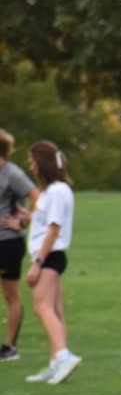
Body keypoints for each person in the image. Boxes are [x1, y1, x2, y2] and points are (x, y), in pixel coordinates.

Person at [20, 141, 80, 384]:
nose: (31, 167)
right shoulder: (55, 191)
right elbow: (45, 222)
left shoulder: (56, 191)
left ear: (42, 163)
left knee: (41, 307)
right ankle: (56, 362)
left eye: (33, 162)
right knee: (54, 309)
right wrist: (27, 219)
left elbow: (53, 229)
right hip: (53, 256)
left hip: (49, 256)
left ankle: (64, 356)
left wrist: (37, 263)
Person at [0, 129, 39, 362]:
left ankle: (9, 347)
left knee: (10, 294)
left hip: (7, 243)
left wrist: (24, 220)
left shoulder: (12, 173)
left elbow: (36, 196)